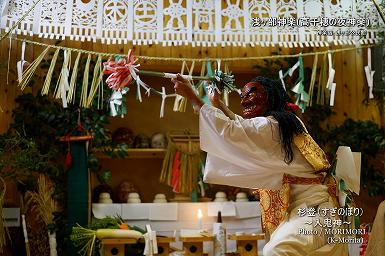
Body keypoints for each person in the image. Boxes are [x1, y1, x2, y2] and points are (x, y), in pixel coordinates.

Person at [171, 74, 348, 256]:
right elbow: (245, 129)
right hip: (305, 209)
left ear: (270, 97)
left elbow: (236, 132)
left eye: (252, 93)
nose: (245, 100)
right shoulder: (283, 123)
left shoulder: (274, 126)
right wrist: (218, 104)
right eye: (243, 96)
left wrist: (193, 97)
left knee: (277, 250)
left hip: (315, 210)